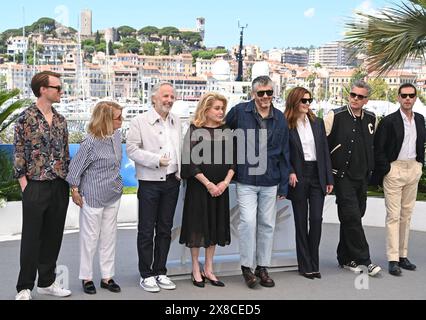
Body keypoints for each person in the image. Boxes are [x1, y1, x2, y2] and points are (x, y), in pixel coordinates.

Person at [225, 75, 290, 289]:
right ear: (253, 94)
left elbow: (284, 153)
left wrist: (283, 184)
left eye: (269, 92)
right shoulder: (239, 111)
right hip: (245, 178)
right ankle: (246, 268)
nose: (265, 97)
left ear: (273, 93)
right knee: (248, 223)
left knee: (267, 225)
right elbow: (223, 134)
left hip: (270, 179)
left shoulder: (280, 118)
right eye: (260, 93)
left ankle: (262, 267)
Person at [13, 71, 72, 300]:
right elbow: (19, 152)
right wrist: (24, 184)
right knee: (31, 238)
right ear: (43, 90)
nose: (61, 91)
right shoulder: (25, 118)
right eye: (57, 88)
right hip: (35, 185)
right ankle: (24, 287)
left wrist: (69, 184)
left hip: (59, 185)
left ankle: (47, 282)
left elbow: (65, 154)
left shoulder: (61, 120)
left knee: (53, 236)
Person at [126, 82, 181, 293]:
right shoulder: (140, 121)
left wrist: (179, 173)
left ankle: (160, 271)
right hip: (149, 181)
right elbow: (131, 149)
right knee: (147, 230)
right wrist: (156, 159)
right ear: (154, 99)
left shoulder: (176, 121)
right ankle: (146, 274)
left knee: (165, 229)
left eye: (172, 97)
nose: (169, 100)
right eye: (165, 96)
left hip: (172, 182)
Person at [324, 80, 381, 277]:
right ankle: (366, 260)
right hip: (342, 176)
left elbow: (375, 145)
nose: (355, 99)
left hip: (362, 177)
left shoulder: (372, 118)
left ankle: (346, 258)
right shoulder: (336, 115)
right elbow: (321, 146)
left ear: (367, 99)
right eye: (353, 95)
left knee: (353, 218)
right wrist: (325, 176)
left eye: (360, 96)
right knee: (352, 216)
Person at [66, 101, 124, 294]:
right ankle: (87, 277)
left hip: (113, 193)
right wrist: (75, 190)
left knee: (109, 237)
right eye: (118, 117)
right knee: (89, 238)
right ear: (106, 119)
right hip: (92, 195)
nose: (122, 121)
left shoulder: (116, 135)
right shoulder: (90, 142)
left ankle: (107, 277)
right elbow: (75, 168)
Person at [180, 93, 235, 288]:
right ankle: (196, 268)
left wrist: (224, 184)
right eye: (217, 108)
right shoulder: (195, 130)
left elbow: (233, 161)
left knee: (214, 226)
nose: (221, 112)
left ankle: (209, 269)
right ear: (206, 110)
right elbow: (190, 162)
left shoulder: (227, 130)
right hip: (200, 188)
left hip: (221, 189)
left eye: (222, 109)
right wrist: (209, 184)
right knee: (197, 228)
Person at [373, 83, 425, 276]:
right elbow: (378, 149)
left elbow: (421, 143)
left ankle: (403, 256)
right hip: (395, 169)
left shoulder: (420, 119)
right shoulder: (389, 121)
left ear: (416, 97)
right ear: (398, 97)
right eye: (404, 95)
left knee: (406, 215)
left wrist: (419, 164)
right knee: (393, 216)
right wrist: (387, 169)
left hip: (413, 168)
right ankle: (393, 258)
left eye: (411, 95)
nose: (407, 99)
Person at [284, 87, 333, 280]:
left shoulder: (317, 123)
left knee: (316, 220)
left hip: (317, 174)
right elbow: (283, 152)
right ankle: (305, 265)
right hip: (299, 174)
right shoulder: (286, 124)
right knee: (300, 222)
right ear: (295, 101)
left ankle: (314, 261)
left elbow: (324, 152)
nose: (307, 104)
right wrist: (290, 171)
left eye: (309, 100)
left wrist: (329, 178)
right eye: (304, 101)